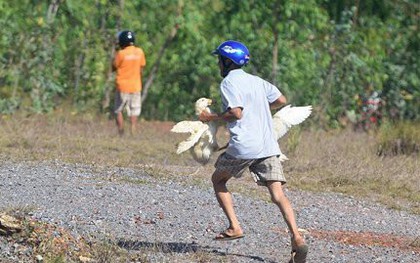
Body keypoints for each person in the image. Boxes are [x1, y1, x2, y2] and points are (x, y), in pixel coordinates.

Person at [199, 40, 308, 263]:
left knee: (218, 180)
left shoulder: (228, 82)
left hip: (244, 147)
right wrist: (259, 107)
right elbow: (281, 100)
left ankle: (235, 226)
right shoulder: (257, 81)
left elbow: (236, 113)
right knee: (278, 195)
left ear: (227, 62)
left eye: (219, 60)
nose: (218, 63)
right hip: (267, 145)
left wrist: (211, 117)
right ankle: (297, 238)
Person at [113, 30, 146, 136]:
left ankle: (121, 132)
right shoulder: (139, 52)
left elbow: (113, 67)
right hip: (136, 86)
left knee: (118, 110)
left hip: (122, 86)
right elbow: (141, 69)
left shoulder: (121, 53)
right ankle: (133, 130)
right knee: (134, 110)